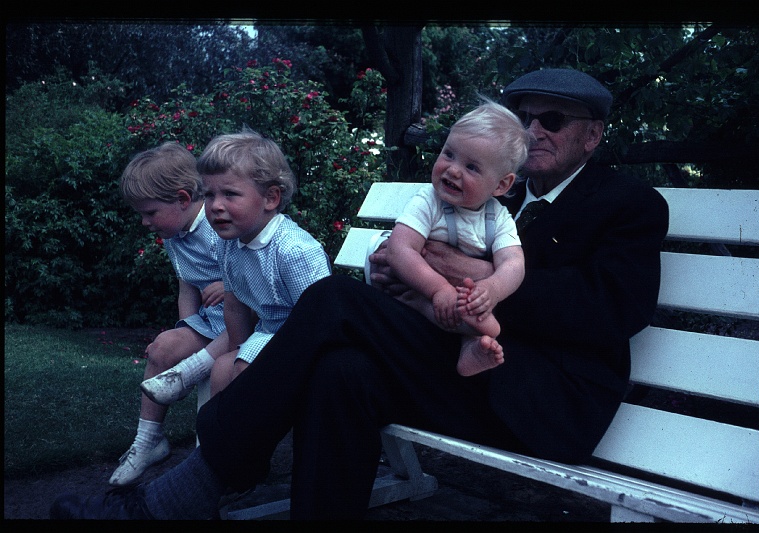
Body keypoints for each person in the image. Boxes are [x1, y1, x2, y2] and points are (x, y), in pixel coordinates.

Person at [50, 68, 669, 520]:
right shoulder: (495, 196)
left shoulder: (628, 205)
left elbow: (615, 311)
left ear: (593, 136)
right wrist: (396, 279)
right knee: (343, 369)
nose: (534, 130)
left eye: (552, 120)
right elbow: (422, 273)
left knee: (331, 301)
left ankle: (191, 487)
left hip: (541, 395)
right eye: (525, 117)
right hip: (457, 369)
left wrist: (459, 270)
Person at [140, 128, 331, 401]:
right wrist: (236, 350)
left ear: (271, 198)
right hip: (267, 333)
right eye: (209, 195)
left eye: (230, 194)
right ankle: (219, 442)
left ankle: (243, 441)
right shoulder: (231, 244)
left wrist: (244, 357)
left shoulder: (295, 251)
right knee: (222, 367)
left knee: (241, 369)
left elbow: (319, 318)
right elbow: (234, 305)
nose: (216, 205)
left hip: (303, 341)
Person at [111, 142, 229, 487]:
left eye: (150, 213)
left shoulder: (218, 225)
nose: (145, 222)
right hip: (212, 324)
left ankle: (221, 463)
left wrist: (227, 285)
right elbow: (187, 287)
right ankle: (148, 442)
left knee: (216, 363)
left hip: (248, 322)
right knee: (163, 348)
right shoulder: (174, 235)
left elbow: (253, 273)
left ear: (181, 199)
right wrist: (184, 332)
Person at [385, 101, 527, 376]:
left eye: (472, 167)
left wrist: (493, 288)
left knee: (475, 306)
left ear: (501, 185)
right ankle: (419, 302)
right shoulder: (429, 201)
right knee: (472, 311)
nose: (452, 170)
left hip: (455, 300)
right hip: (411, 288)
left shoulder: (497, 218)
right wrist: (437, 288)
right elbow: (400, 249)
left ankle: (470, 347)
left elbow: (513, 263)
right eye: (449, 154)